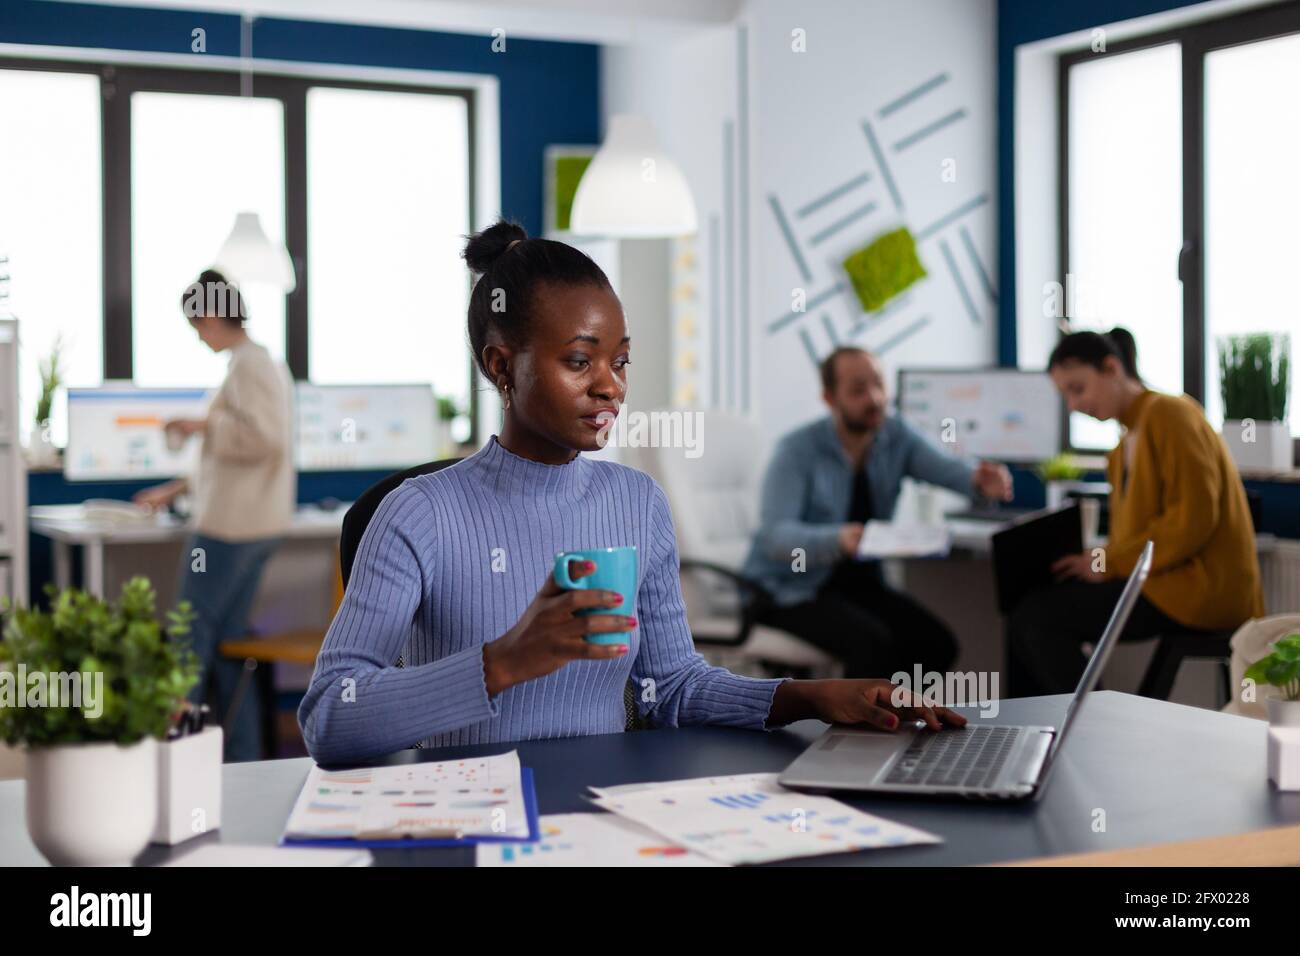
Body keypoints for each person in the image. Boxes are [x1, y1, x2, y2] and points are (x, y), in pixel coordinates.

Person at [297, 221, 966, 765]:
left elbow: (671, 687)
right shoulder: (417, 513)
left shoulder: (636, 502)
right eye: (579, 361)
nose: (611, 385)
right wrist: (502, 663)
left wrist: (816, 697)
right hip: (471, 826)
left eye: (619, 360)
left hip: (609, 821)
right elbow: (330, 717)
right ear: (502, 365)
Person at [1007, 327, 1264, 697]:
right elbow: (1136, 536)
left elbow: (1192, 522)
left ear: (1112, 368)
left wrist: (1103, 562)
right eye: (1066, 395)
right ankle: (1049, 731)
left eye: (1077, 389)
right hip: (1163, 580)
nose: (1074, 405)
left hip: (1198, 589)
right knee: (1028, 608)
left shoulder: (1170, 414)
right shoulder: (1127, 439)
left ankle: (1088, 728)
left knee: (1038, 617)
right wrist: (1098, 563)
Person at [741, 347, 1014, 679]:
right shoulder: (797, 451)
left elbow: (947, 469)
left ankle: (891, 722)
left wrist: (978, 480)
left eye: (878, 385)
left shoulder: (894, 436)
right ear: (829, 398)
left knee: (936, 646)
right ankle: (854, 728)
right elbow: (775, 538)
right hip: (787, 592)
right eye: (857, 390)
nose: (874, 398)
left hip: (859, 585)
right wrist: (838, 540)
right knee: (874, 647)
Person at [134, 269, 295, 761]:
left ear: (208, 315)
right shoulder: (253, 364)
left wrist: (198, 423)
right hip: (252, 524)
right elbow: (239, 446)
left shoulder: (250, 365)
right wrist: (178, 487)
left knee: (188, 630)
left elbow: (262, 439)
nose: (197, 336)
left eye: (195, 326)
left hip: (231, 528)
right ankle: (238, 758)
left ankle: (176, 752)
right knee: (227, 643)